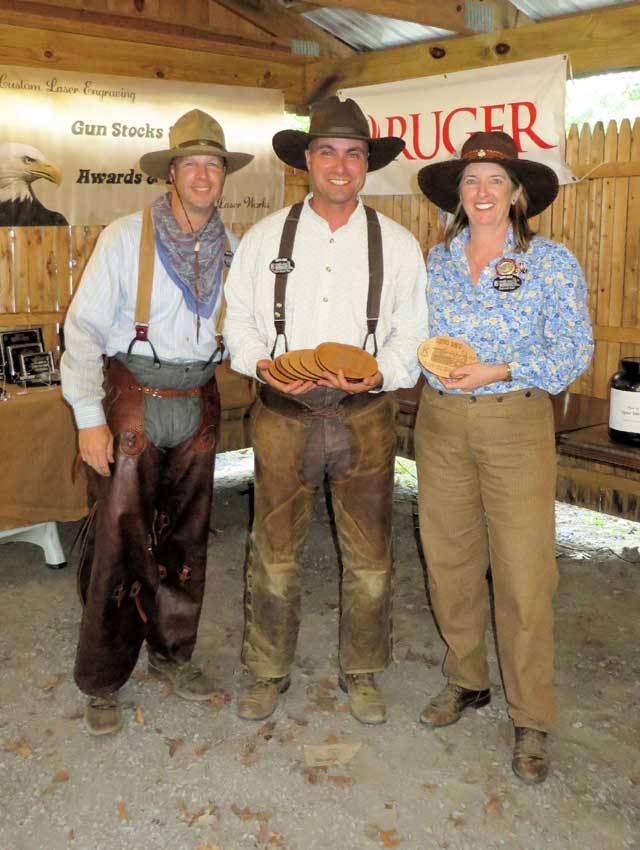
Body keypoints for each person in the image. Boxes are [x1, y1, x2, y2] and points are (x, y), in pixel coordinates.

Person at [223, 96, 428, 725]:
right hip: (282, 415)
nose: (340, 165)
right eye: (327, 152)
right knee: (274, 548)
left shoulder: (396, 244)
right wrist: (263, 364)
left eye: (354, 153)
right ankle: (267, 668)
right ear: (306, 161)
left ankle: (362, 671)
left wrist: (374, 373)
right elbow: (241, 324)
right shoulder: (265, 238)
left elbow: (409, 340)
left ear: (368, 163)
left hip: (365, 417)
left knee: (370, 553)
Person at [61, 109, 253, 736]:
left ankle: (174, 656)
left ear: (224, 176)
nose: (203, 175)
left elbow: (247, 332)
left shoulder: (235, 249)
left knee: (187, 540)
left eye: (213, 165)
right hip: (132, 400)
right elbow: (83, 331)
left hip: (199, 399)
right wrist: (90, 419)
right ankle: (103, 678)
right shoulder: (124, 236)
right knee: (119, 539)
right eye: (191, 164)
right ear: (172, 173)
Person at [414, 131, 594, 783]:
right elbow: (411, 333)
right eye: (471, 181)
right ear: (457, 195)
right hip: (438, 425)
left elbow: (575, 350)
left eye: (495, 180)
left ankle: (531, 716)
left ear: (517, 193)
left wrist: (501, 366)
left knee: (523, 573)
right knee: (450, 557)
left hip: (515, 419)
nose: (482, 192)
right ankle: (466, 679)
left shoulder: (549, 261)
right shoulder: (435, 262)